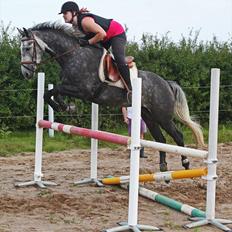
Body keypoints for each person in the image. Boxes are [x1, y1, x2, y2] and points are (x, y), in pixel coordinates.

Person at [59, 1, 132, 92]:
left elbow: (102, 34)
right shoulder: (76, 24)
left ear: (73, 13)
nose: (63, 16)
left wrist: (88, 42)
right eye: (63, 14)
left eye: (65, 13)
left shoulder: (85, 22)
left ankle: (130, 89)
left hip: (116, 33)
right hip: (104, 36)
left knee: (118, 58)